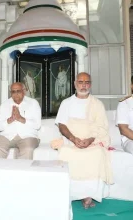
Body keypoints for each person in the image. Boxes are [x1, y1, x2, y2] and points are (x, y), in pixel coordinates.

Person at [53, 72, 113, 209]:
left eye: (87, 82)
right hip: (71, 141)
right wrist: (74, 139)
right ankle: (70, 194)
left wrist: (90, 140)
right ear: (75, 84)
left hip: (92, 141)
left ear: (90, 85)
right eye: (80, 82)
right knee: (66, 153)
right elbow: (62, 125)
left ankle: (88, 195)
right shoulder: (66, 103)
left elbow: (102, 126)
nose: (84, 85)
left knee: (97, 153)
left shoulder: (97, 104)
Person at [0, 82, 41, 159]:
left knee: (27, 149)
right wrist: (9, 120)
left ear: (24, 91)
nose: (16, 94)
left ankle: (21, 171)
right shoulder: (4, 105)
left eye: (18, 91)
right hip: (7, 135)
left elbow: (37, 125)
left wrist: (21, 118)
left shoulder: (33, 103)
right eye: (13, 92)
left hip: (28, 135)